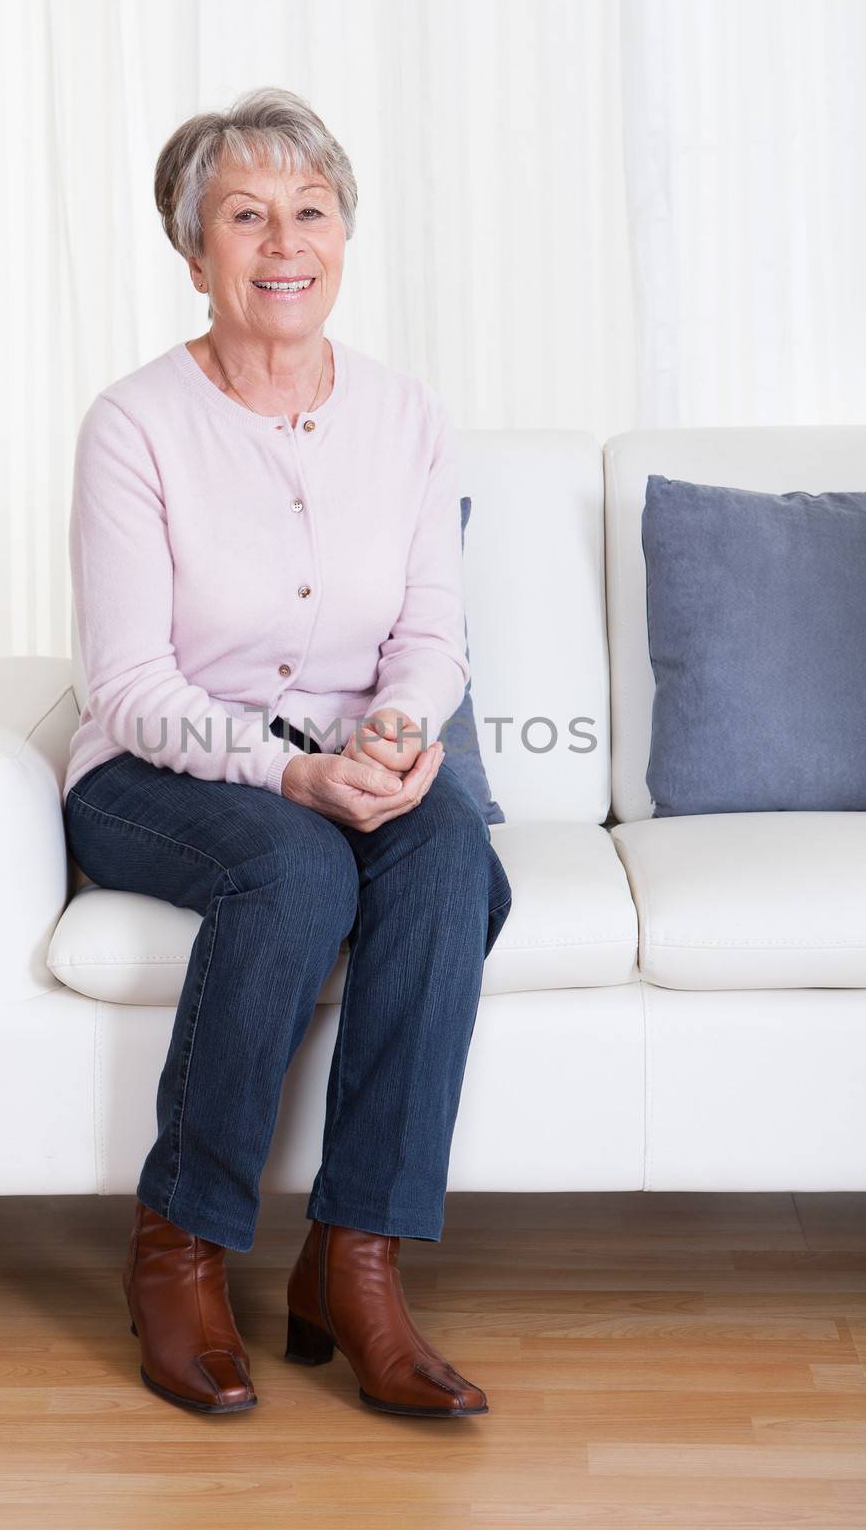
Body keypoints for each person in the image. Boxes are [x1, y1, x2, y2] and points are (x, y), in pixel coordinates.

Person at [63, 86, 513, 1420]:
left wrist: (394, 727)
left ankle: (354, 1263)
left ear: (343, 234)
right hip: (163, 776)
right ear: (193, 251)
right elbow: (133, 686)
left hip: (347, 759)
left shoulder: (403, 415)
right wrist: (290, 775)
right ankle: (179, 1248)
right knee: (297, 872)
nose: (281, 242)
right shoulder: (133, 424)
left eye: (308, 211)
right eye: (244, 215)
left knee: (450, 863)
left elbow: (435, 633)